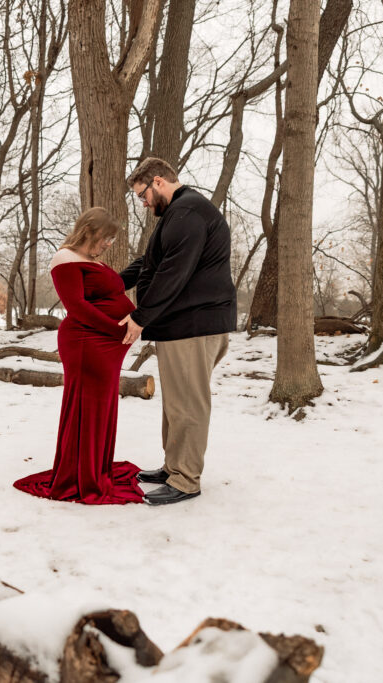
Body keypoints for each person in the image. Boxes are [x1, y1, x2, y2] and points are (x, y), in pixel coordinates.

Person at [118, 157, 236, 505]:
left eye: (142, 195)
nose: (142, 203)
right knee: (176, 403)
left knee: (188, 405)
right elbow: (150, 263)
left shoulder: (188, 214)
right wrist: (111, 283)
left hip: (194, 326)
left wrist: (140, 317)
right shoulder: (178, 215)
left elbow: (173, 273)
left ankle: (186, 479)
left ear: (158, 181)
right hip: (180, 327)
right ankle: (174, 467)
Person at [13, 207, 144, 504]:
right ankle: (81, 476)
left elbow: (115, 290)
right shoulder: (65, 259)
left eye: (112, 238)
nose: (109, 243)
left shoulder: (91, 261)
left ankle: (95, 468)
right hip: (87, 343)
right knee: (88, 407)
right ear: (90, 231)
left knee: (102, 408)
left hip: (105, 345)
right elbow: (77, 307)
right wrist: (118, 330)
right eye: (106, 237)